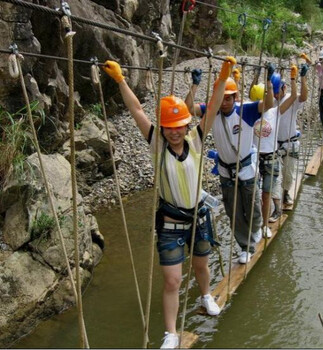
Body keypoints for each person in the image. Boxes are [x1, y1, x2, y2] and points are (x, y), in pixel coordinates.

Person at [103, 56, 236, 349]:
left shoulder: (196, 139)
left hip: (199, 217)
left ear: (186, 124)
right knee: (173, 281)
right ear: (163, 128)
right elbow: (137, 110)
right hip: (171, 223)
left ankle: (205, 296)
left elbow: (213, 107)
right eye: (170, 127)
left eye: (179, 126)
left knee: (202, 266)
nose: (175, 132)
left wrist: (223, 77)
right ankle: (171, 332)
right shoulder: (157, 145)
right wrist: (121, 80)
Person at [185, 64, 275, 264]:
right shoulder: (211, 112)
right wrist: (195, 85)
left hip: (246, 170)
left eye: (228, 98)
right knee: (234, 212)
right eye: (222, 97)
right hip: (226, 172)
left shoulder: (247, 111)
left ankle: (257, 229)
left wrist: (269, 80)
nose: (224, 102)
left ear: (235, 97)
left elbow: (268, 104)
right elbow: (188, 109)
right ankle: (246, 246)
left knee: (252, 209)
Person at [250, 65, 298, 237]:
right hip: (255, 158)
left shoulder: (276, 111)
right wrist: (256, 77)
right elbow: (249, 94)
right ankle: (255, 226)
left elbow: (293, 97)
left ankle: (264, 225)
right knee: (255, 195)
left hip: (270, 157)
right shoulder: (250, 112)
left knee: (266, 194)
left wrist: (293, 79)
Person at [268, 62, 309, 216]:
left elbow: (304, 96)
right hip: (275, 145)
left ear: (284, 88)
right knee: (274, 176)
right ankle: (276, 206)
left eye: (278, 91)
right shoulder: (270, 102)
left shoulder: (291, 100)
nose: (276, 95)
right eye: (274, 92)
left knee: (288, 174)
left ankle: (286, 192)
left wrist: (301, 78)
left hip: (290, 143)